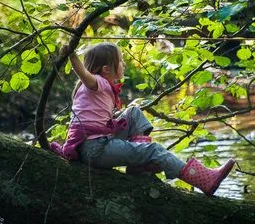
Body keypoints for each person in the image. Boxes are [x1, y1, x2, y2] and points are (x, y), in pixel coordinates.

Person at [50, 42, 235, 196]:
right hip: (95, 149)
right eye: (120, 61)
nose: (124, 64)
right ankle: (204, 180)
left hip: (95, 144)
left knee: (133, 113)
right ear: (106, 69)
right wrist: (72, 56)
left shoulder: (100, 87)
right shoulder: (98, 82)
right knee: (154, 149)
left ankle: (138, 166)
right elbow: (83, 74)